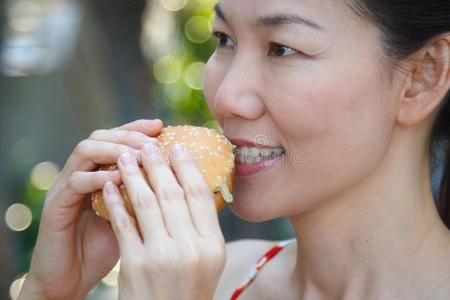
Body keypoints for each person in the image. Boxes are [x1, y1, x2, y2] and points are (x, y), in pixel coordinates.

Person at [19, 0, 450, 299]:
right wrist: (52, 294)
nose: (225, 96)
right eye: (224, 40)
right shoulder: (214, 280)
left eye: (282, 48)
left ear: (423, 77)